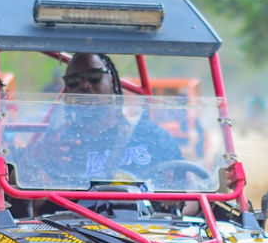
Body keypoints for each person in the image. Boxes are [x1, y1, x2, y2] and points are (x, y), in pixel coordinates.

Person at [38, 52, 182, 182]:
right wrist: (35, 159)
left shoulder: (152, 137)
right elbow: (30, 205)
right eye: (73, 81)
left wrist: (173, 203)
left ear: (113, 82)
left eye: (94, 77)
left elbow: (191, 194)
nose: (84, 85)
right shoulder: (58, 145)